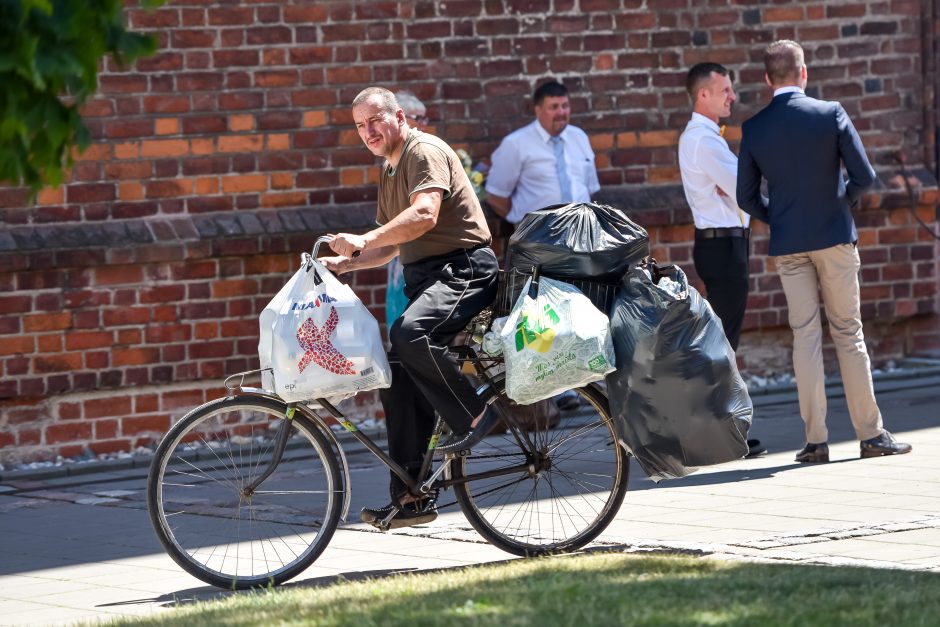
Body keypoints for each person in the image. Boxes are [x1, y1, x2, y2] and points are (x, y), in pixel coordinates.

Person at [321, 87, 500, 528]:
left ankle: (475, 412)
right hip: (429, 277)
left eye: (374, 121)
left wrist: (365, 239)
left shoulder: (423, 151)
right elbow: (390, 242)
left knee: (410, 332)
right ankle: (412, 497)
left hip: (465, 270)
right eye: (360, 126)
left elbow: (423, 216)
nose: (368, 132)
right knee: (396, 374)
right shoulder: (389, 169)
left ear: (399, 116)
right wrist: (348, 262)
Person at [736, 40, 911, 463]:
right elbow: (865, 177)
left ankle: (815, 442)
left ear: (766, 79)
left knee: (805, 336)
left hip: (789, 244)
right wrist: (839, 204)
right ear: (804, 73)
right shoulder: (830, 114)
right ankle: (871, 435)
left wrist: (777, 216)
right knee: (848, 333)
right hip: (834, 236)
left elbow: (745, 197)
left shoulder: (755, 128)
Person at [485, 79, 600, 411]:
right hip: (540, 241)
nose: (561, 113)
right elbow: (496, 195)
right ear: (538, 110)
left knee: (580, 308)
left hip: (580, 237)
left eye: (565, 106)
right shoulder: (516, 144)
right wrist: (529, 224)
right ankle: (554, 388)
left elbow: (588, 187)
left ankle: (583, 379)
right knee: (543, 314)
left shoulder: (578, 138)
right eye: (553, 107)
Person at [678, 62, 765, 459]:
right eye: (725, 90)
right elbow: (743, 189)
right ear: (703, 95)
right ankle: (721, 436)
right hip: (723, 246)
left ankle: (717, 432)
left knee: (721, 340)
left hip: (723, 244)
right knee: (723, 344)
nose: (732, 96)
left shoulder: (706, 138)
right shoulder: (705, 141)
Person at [385, 91, 429, 329]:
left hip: (422, 251)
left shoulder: (424, 153)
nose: (424, 125)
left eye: (426, 119)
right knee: (402, 317)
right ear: (399, 118)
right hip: (404, 252)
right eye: (418, 118)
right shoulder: (397, 158)